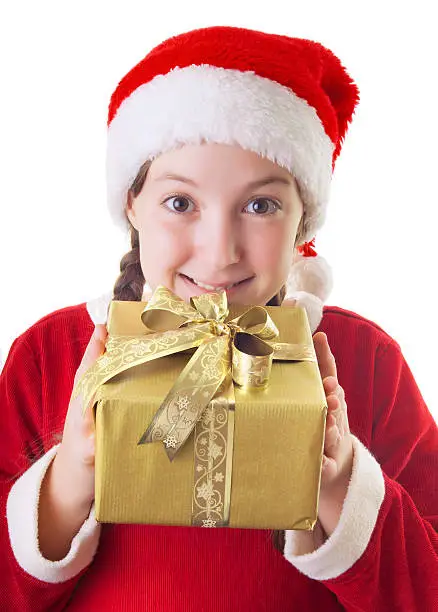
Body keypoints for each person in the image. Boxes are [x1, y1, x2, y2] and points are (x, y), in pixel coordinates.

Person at [0, 25, 437, 612]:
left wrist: (342, 487)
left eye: (261, 205)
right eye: (180, 203)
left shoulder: (366, 361)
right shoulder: (50, 357)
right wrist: (69, 483)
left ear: (303, 219)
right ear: (132, 204)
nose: (220, 252)